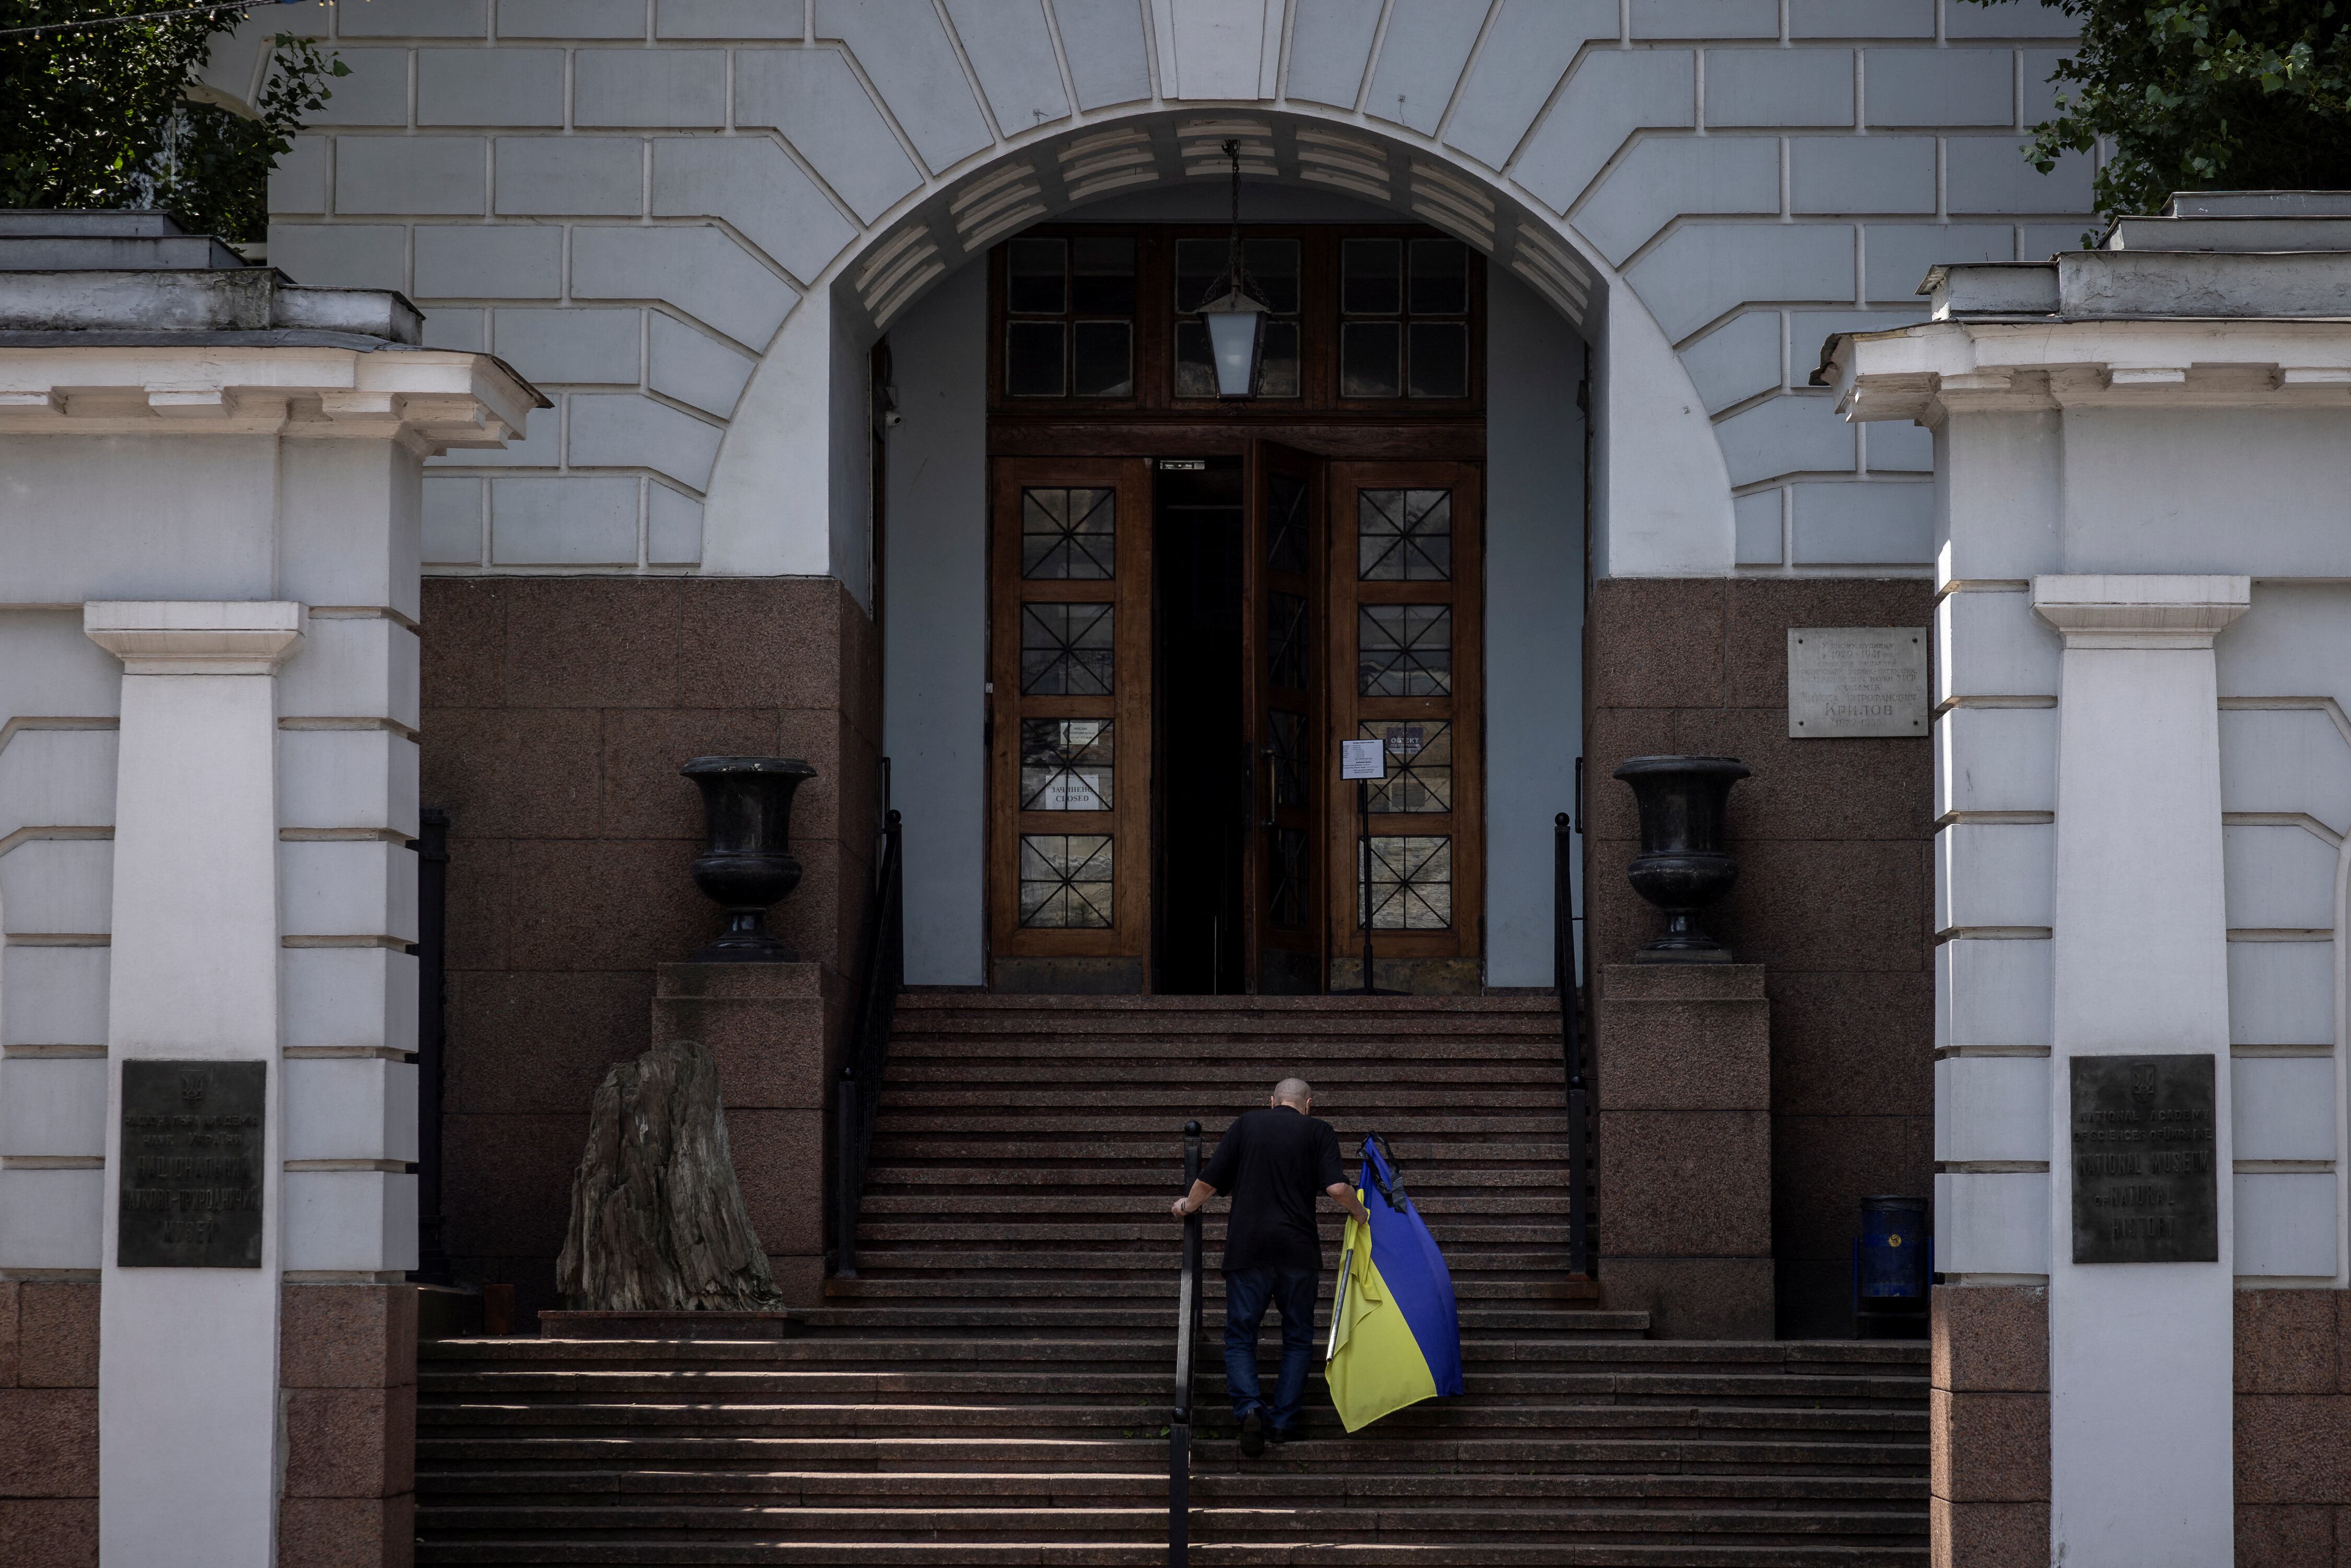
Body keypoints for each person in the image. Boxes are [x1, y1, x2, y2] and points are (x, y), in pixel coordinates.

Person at [1170, 1076, 1373, 1455]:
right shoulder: (1319, 1131)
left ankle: (1249, 1407)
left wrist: (1187, 1206)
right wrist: (1362, 1216)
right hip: (1298, 1251)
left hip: (1248, 1249)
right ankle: (1282, 1422)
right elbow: (1337, 1188)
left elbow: (1210, 1179)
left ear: (1272, 1101)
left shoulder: (1247, 1124)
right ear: (1308, 1103)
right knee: (1297, 1338)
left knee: (1240, 1335)